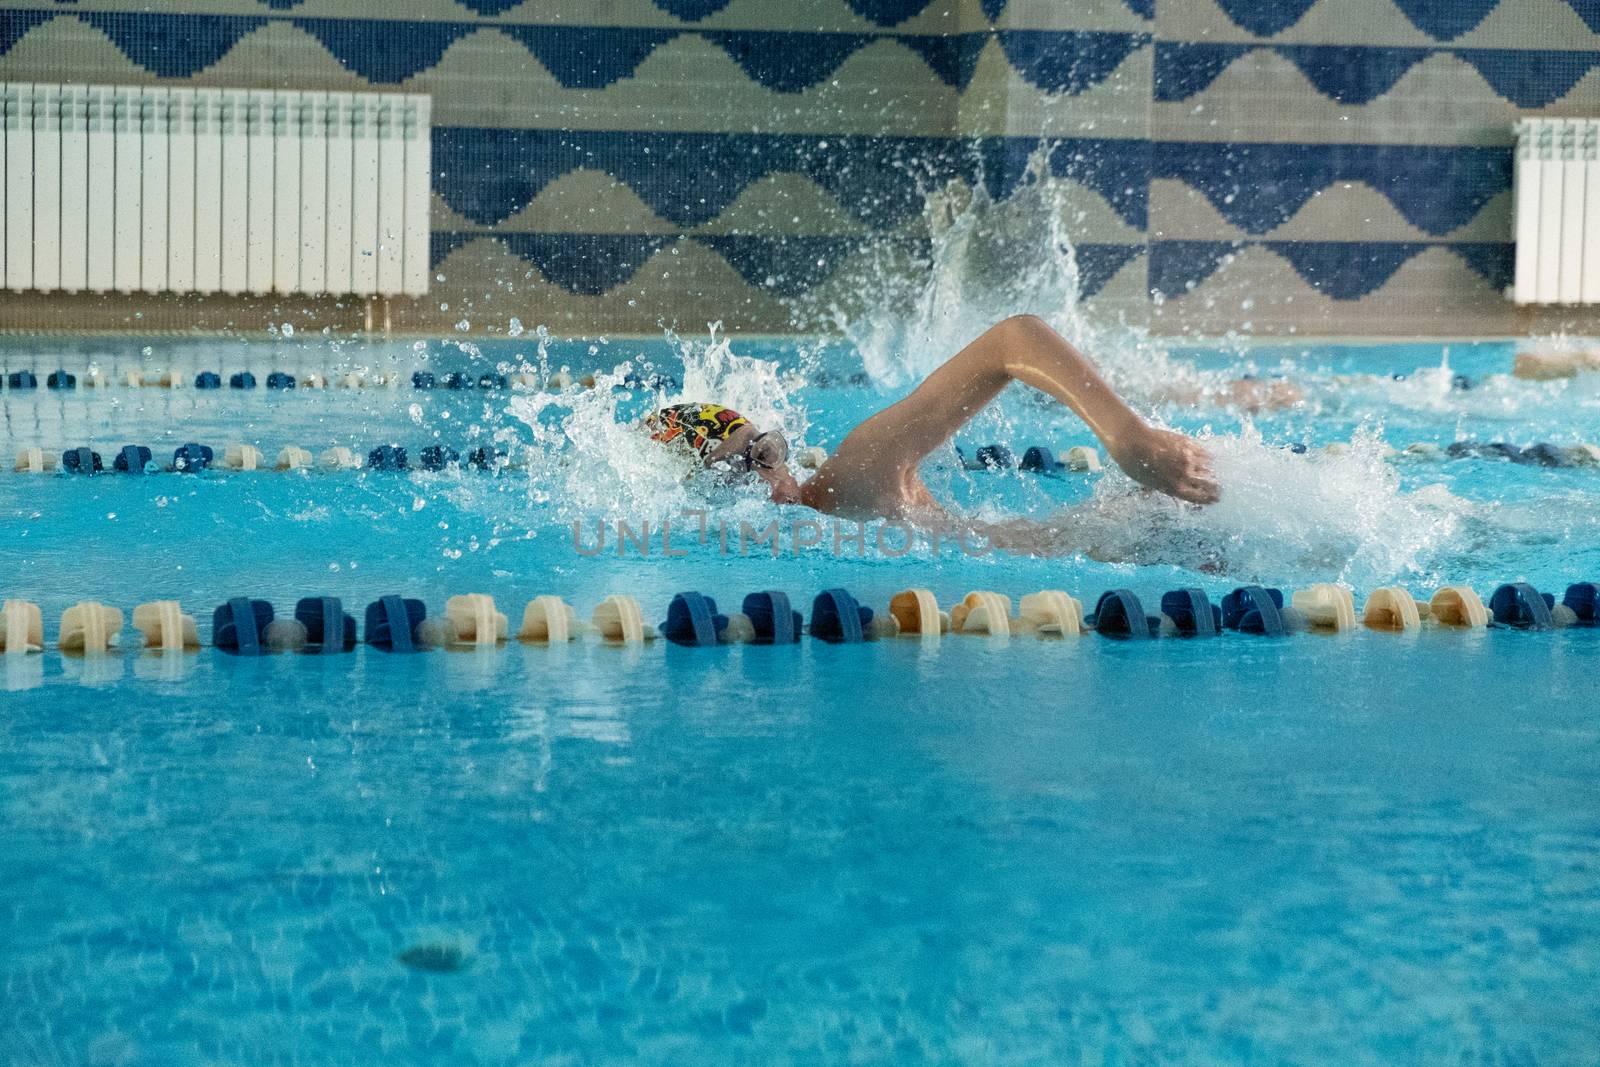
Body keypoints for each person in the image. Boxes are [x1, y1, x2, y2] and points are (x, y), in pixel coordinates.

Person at [648, 315, 1223, 521]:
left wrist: (1129, 438)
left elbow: (1013, 338)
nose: (768, 482)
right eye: (736, 475)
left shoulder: (856, 477)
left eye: (765, 453)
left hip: (1153, 527)